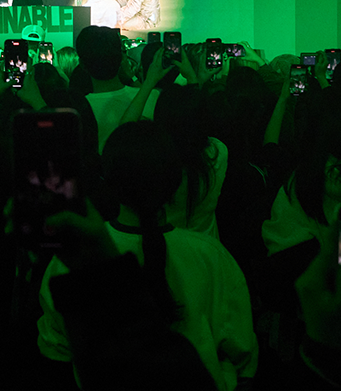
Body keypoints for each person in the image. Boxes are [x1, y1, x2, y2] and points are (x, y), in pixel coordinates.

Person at [37, 120, 257, 391]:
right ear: (174, 180)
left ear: (108, 179)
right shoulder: (210, 255)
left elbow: (56, 349)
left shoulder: (74, 259)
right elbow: (242, 356)